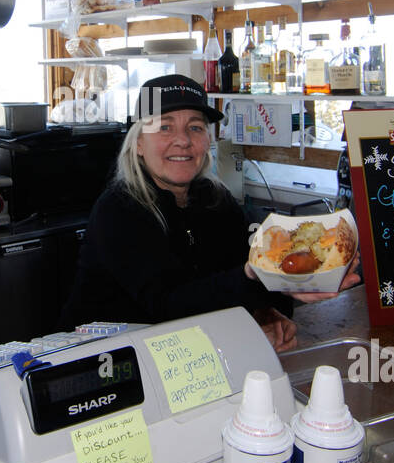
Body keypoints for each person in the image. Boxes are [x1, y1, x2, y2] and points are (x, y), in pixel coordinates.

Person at [61, 74, 360, 352]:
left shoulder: (216, 200)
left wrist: (267, 311)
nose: (183, 140)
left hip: (195, 359)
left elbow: (251, 268)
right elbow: (168, 305)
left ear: (207, 140)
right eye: (164, 127)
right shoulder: (118, 210)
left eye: (195, 127)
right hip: (108, 366)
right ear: (139, 143)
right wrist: (255, 279)